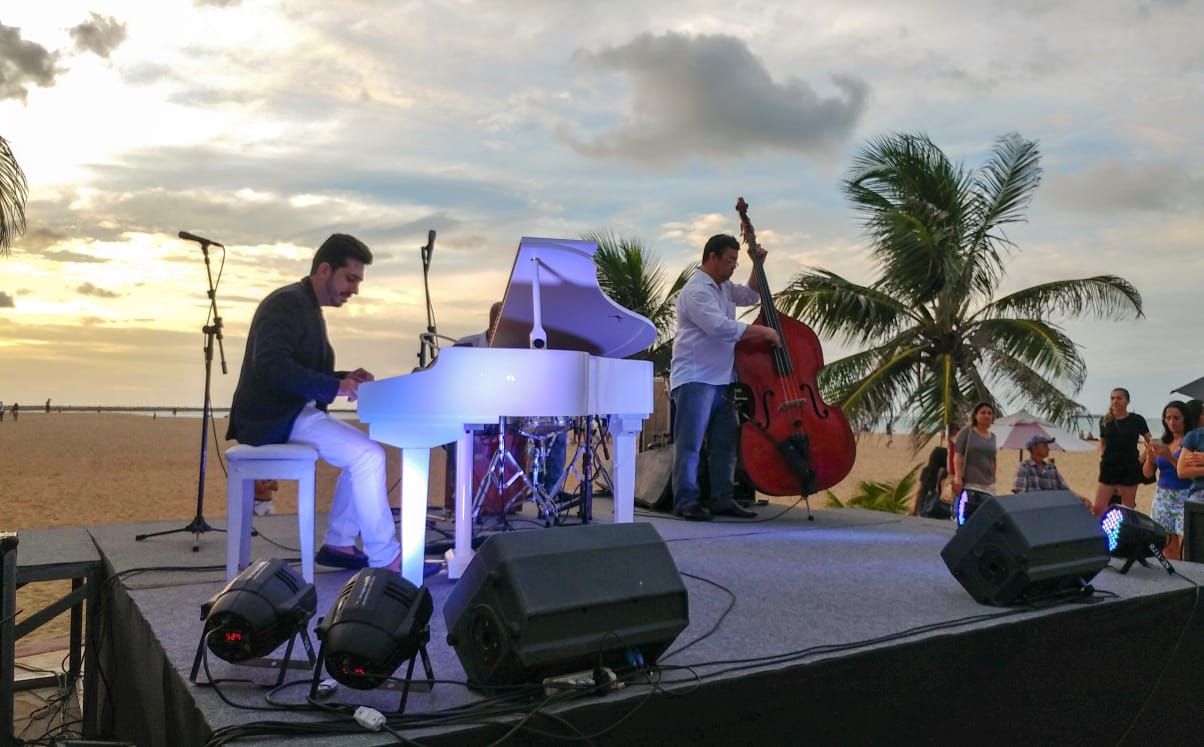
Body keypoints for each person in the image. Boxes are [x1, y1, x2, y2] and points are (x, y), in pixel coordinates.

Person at [226, 233, 401, 572]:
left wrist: (345, 375)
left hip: (289, 412)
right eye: (350, 278)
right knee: (368, 456)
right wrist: (336, 384)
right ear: (324, 269)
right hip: (271, 417)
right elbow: (272, 365)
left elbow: (301, 368)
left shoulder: (305, 306)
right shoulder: (285, 304)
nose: (355, 289)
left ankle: (339, 543)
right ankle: (387, 559)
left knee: (362, 454)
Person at [669, 233, 779, 521]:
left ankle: (722, 499)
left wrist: (759, 263)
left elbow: (752, 294)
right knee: (690, 444)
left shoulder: (724, 287)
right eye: (729, 260)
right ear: (712, 257)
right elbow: (718, 327)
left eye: (736, 261)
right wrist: (764, 332)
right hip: (696, 378)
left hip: (723, 378)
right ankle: (686, 500)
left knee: (725, 444)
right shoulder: (696, 290)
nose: (733, 266)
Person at [1142, 401, 1192, 559]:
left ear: (1185, 419)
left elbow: (1189, 473)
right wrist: (1150, 456)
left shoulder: (1191, 442)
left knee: (1188, 546)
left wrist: (1169, 457)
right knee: (1167, 545)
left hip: (1185, 496)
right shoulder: (1164, 442)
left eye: (1176, 418)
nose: (1172, 422)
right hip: (1163, 497)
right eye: (1168, 418)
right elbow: (1147, 473)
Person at [1092, 387, 1150, 515]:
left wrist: (1141, 459)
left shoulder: (1136, 420)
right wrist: (1103, 455)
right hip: (1109, 466)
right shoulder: (1105, 421)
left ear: (1127, 401)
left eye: (1119, 398)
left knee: (1127, 508)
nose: (1115, 401)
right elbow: (1102, 442)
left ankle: (1125, 533)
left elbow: (1150, 442)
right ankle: (1101, 533)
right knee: (1099, 508)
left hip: (1130, 467)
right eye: (1112, 398)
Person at [1010, 436, 1088, 507]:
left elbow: (1065, 490)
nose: (1048, 449)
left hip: (1052, 509)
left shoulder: (1051, 467)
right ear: (1035, 449)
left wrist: (1082, 499)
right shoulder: (1025, 467)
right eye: (1045, 446)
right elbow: (1019, 493)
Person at [951, 402, 997, 520]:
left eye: (989, 413)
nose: (986, 415)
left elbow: (992, 459)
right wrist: (958, 477)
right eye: (983, 413)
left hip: (988, 486)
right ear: (975, 416)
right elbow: (958, 456)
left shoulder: (993, 437)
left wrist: (993, 478)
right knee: (965, 520)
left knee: (983, 521)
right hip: (969, 485)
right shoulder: (967, 432)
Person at [912, 446, 950, 519]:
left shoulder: (926, 470)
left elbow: (919, 490)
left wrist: (915, 509)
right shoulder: (946, 473)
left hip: (924, 506)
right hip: (941, 508)